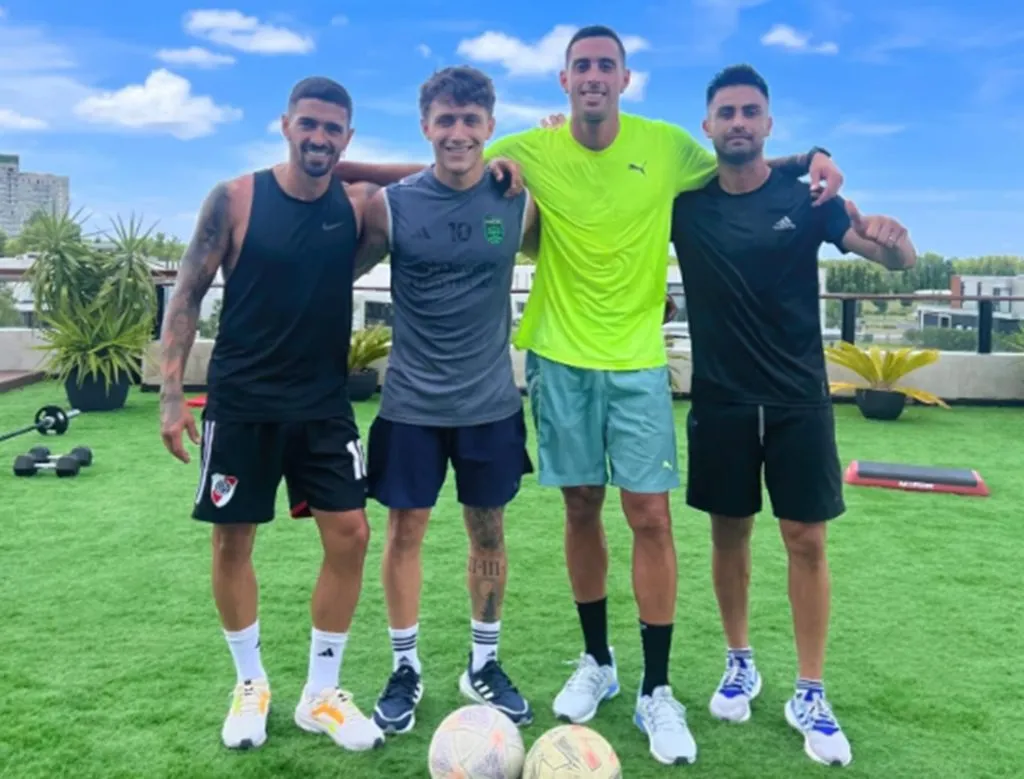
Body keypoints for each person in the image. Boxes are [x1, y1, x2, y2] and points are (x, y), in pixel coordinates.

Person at [331, 25, 844, 766]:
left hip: (636, 362)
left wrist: (812, 154)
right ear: (564, 80)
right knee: (579, 507)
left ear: (625, 78)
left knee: (651, 517)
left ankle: (656, 688)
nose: (595, 76)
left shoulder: (668, 145)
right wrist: (328, 161)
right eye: (582, 67)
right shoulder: (528, 152)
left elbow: (745, 157)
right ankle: (597, 661)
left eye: (607, 65)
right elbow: (442, 165)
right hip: (558, 361)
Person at [671, 64, 916, 768]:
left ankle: (810, 689)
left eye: (751, 111)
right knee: (729, 535)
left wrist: (898, 241)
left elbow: (892, 257)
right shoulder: (686, 205)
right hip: (720, 398)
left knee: (806, 539)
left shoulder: (808, 197)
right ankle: (739, 659)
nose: (739, 122)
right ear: (709, 126)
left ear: (768, 124)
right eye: (727, 112)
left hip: (797, 399)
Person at [158, 76, 388, 753]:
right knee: (233, 539)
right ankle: (251, 682)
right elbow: (187, 294)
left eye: (333, 130)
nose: (318, 138)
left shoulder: (359, 207)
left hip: (322, 404)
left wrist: (363, 167)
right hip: (243, 401)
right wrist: (172, 394)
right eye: (308, 125)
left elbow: (438, 169)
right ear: (285, 124)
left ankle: (320, 693)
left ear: (347, 139)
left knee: (350, 535)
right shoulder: (235, 198)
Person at [348, 65, 539, 736]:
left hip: (490, 402)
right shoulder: (391, 205)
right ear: (426, 126)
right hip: (409, 404)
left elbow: (590, 245)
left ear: (489, 126)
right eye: (445, 120)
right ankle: (405, 668)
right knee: (404, 533)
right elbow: (331, 268)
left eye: (471, 121)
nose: (458, 133)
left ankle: (482, 663)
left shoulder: (520, 201)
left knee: (489, 532)